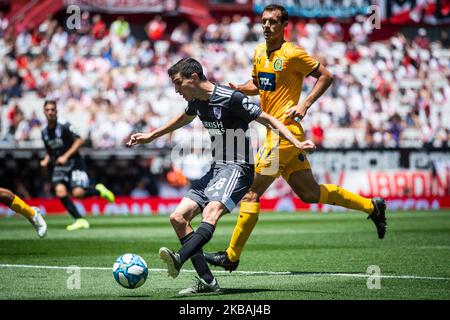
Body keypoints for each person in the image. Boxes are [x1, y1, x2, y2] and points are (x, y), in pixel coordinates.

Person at [204, 4, 387, 272]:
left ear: (283, 25)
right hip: (275, 134)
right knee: (310, 193)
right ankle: (373, 207)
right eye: (264, 21)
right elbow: (259, 85)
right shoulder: (258, 52)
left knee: (251, 193)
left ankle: (231, 256)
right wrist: (239, 88)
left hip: (284, 135)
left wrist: (305, 104)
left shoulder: (293, 53)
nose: (266, 26)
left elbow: (327, 76)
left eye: (273, 22)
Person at [127, 57, 316, 294]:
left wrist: (296, 141)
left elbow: (268, 119)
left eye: (178, 83)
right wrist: (152, 135)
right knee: (178, 218)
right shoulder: (196, 101)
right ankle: (207, 282)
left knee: (210, 212)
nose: (176, 90)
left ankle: (179, 258)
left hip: (239, 168)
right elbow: (184, 118)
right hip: (216, 169)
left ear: (193, 78)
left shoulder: (231, 98)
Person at [40, 100, 115, 231]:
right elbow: (50, 150)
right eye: (48, 110)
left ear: (56, 111)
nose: (50, 112)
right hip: (59, 165)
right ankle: (79, 220)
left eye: (52, 109)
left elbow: (80, 140)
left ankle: (98, 190)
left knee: (78, 193)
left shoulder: (64, 125)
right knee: (60, 191)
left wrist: (66, 156)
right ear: (44, 112)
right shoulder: (44, 132)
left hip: (74, 162)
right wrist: (46, 159)